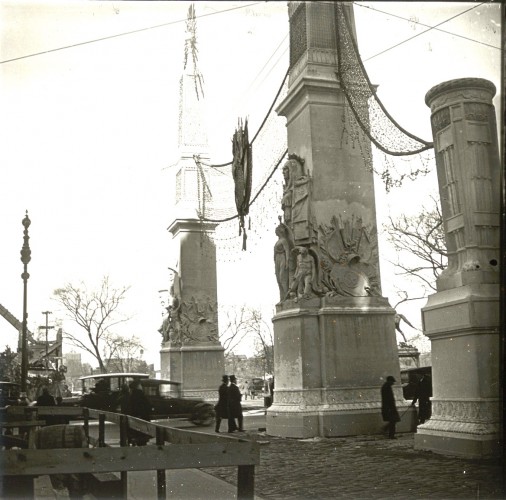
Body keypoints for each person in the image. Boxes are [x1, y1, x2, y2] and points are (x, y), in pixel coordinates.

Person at [127, 380, 152, 445]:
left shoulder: (131, 395)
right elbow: (147, 406)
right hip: (142, 419)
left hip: (135, 419)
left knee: (138, 437)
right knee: (142, 439)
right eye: (140, 385)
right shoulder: (141, 395)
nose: (141, 386)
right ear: (138, 386)